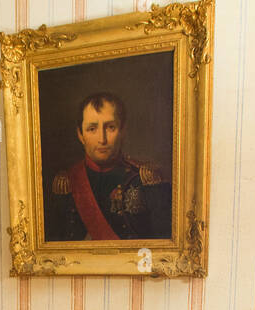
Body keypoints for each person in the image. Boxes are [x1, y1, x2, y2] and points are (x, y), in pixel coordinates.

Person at [44, 91, 172, 242]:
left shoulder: (146, 180)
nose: (102, 139)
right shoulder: (66, 183)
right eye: (92, 129)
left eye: (110, 127)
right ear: (80, 134)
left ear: (123, 130)